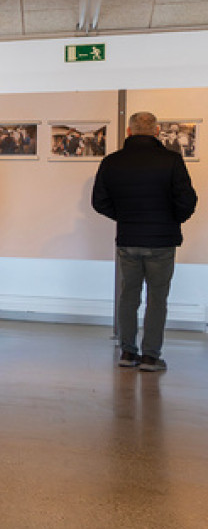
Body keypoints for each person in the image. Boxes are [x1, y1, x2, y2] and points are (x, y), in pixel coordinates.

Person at [93, 111, 198, 371]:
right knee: (157, 299)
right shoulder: (171, 160)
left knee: (128, 296)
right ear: (156, 131)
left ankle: (127, 353)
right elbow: (187, 200)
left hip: (128, 239)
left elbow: (99, 201)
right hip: (162, 241)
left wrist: (124, 216)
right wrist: (172, 220)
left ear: (129, 132)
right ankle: (150, 356)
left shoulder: (112, 161)